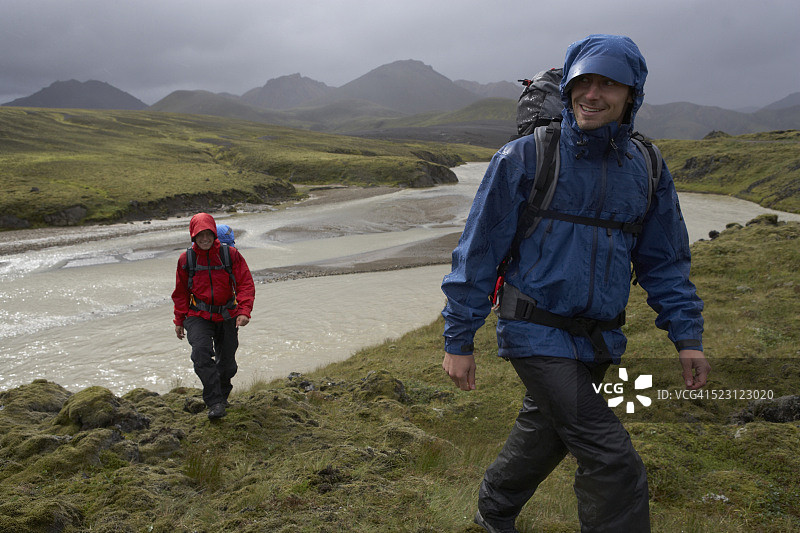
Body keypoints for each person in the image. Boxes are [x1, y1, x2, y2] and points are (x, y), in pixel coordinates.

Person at [440, 34, 710, 532]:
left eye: (609, 84)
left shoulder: (647, 166)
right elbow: (477, 255)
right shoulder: (524, 158)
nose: (592, 93)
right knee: (612, 459)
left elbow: (665, 262)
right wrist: (458, 339)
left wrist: (686, 336)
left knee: (544, 433)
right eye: (584, 80)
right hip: (533, 332)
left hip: (601, 338)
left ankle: (491, 517)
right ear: (567, 86)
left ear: (633, 94)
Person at [172, 213, 255, 419]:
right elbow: (181, 292)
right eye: (200, 235)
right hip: (197, 314)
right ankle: (215, 403)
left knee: (227, 364)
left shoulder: (230, 255)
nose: (205, 239)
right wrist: (179, 320)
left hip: (227, 314)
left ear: (214, 234)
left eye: (208, 234)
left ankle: (222, 395)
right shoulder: (186, 259)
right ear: (193, 236)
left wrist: (244, 311)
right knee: (200, 353)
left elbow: (245, 283)